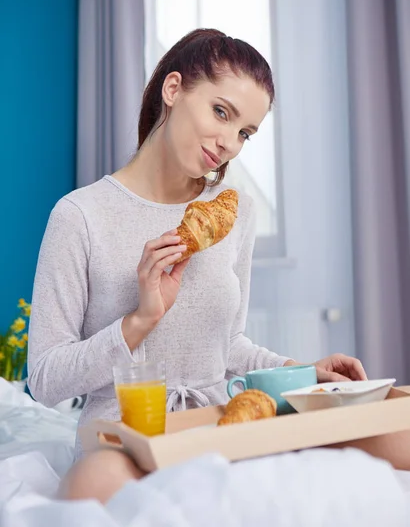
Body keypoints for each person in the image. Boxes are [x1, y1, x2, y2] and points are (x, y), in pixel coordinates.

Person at [28, 28, 367, 492]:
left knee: (389, 436)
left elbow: (227, 346)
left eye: (245, 132)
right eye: (221, 112)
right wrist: (140, 320)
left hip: (218, 426)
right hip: (124, 439)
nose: (229, 142)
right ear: (173, 90)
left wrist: (304, 373)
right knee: (94, 486)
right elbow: (44, 381)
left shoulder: (233, 211)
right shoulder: (79, 216)